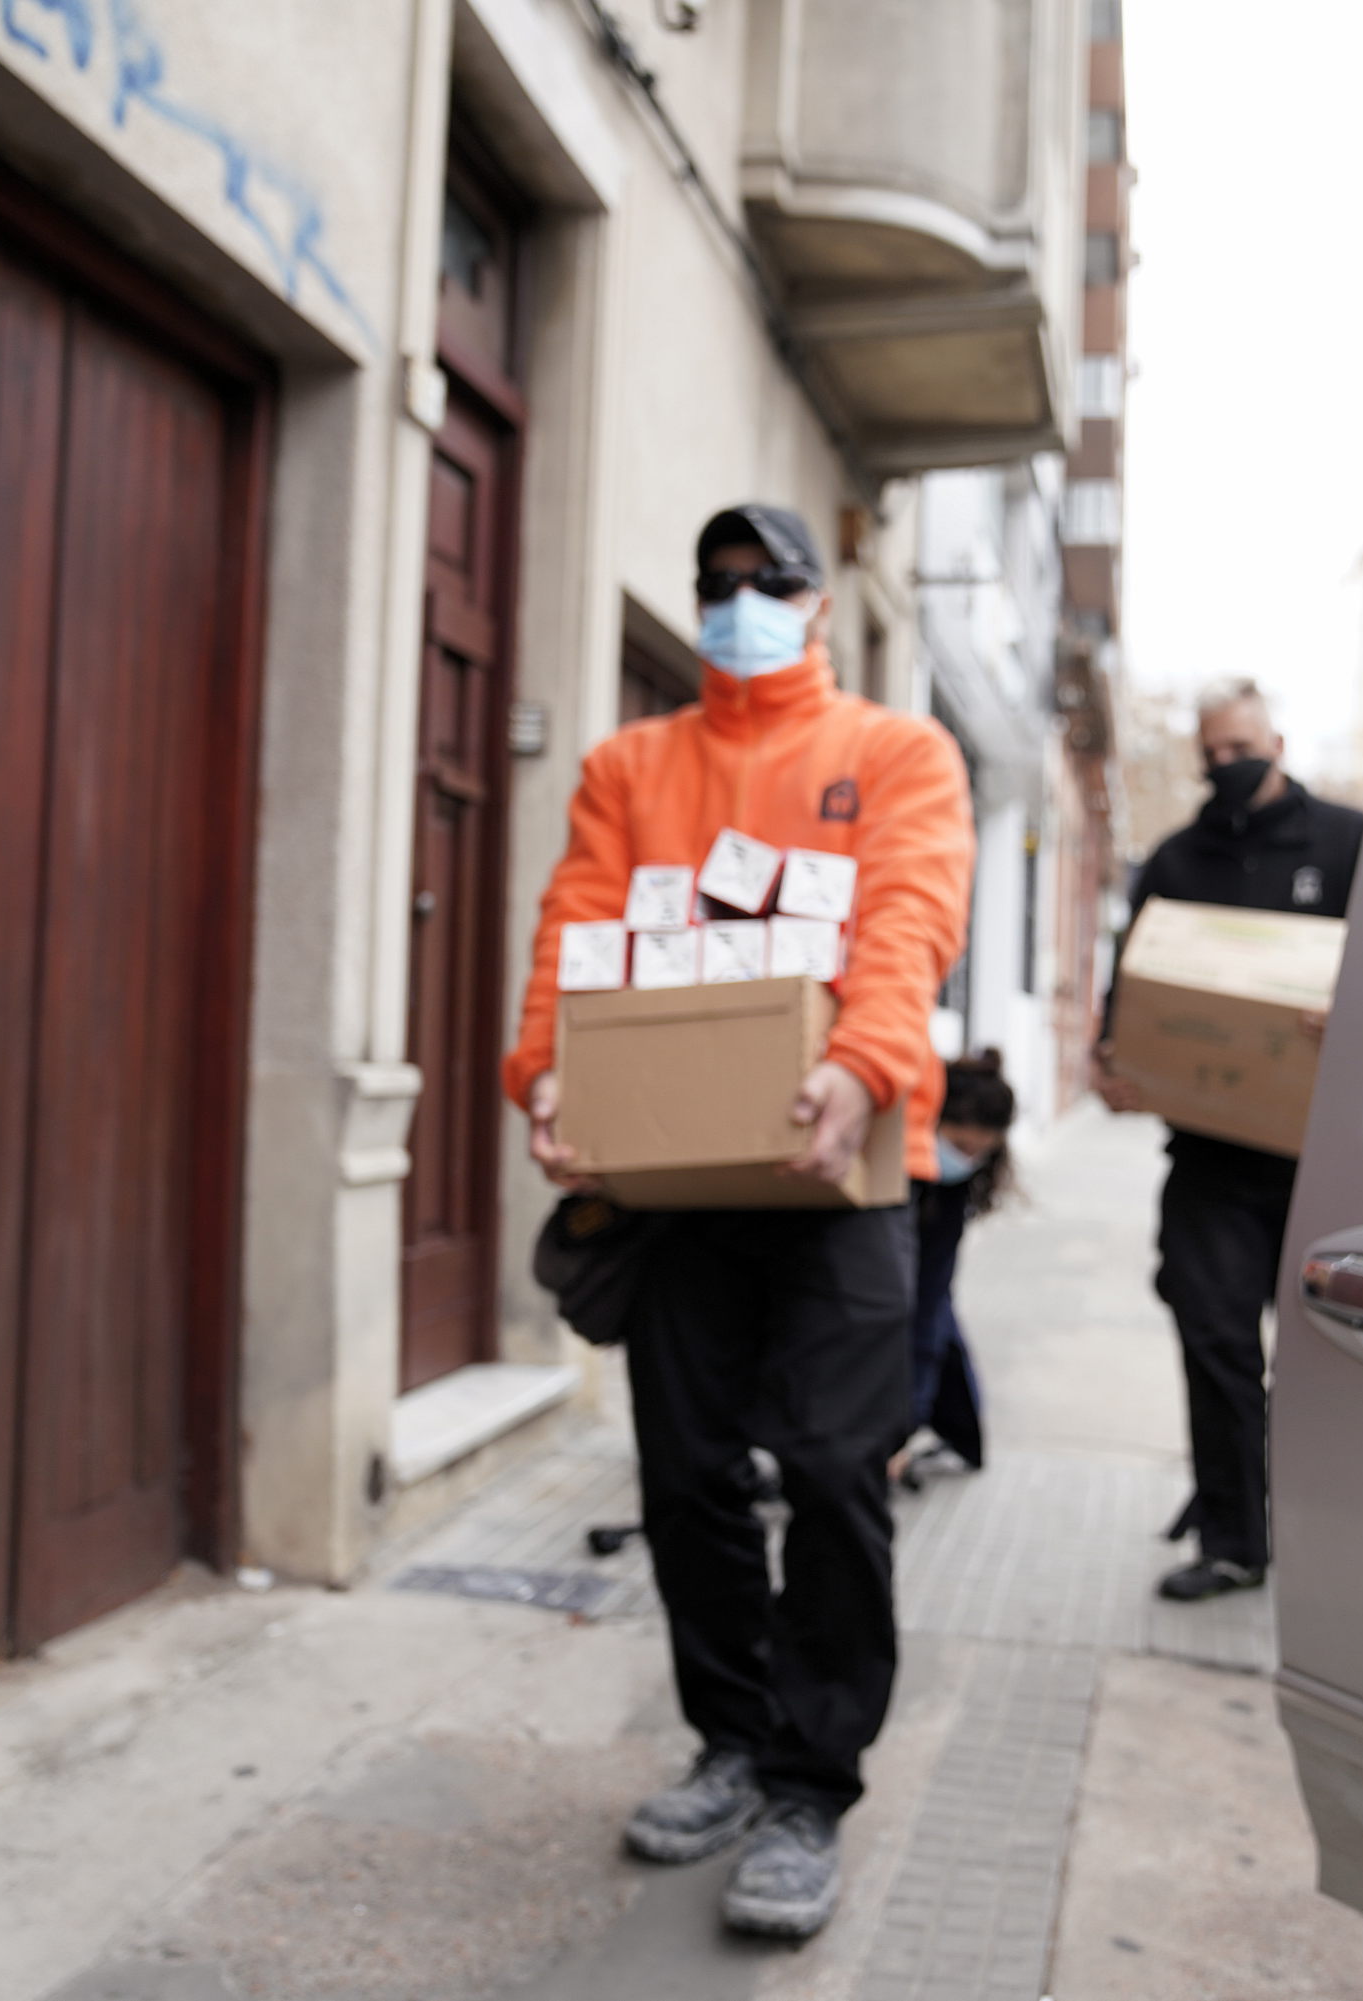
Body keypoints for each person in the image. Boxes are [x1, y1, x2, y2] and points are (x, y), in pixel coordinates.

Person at [504, 503, 973, 1941]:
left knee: (834, 1471)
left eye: (767, 581)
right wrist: (546, 1076)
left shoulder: (894, 754)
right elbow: (575, 937)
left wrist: (860, 1064)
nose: (738, 604)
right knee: (688, 1471)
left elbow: (909, 921)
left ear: (817, 601)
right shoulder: (630, 768)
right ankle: (729, 1736)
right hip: (682, 1186)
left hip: (837, 1168)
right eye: (715, 585)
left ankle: (808, 1786)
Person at [1094, 679, 1363, 1603]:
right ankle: (1233, 1538)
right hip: (1210, 1159)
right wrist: (1116, 1065)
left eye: (1238, 744)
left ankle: (1313, 1525)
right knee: (1215, 1344)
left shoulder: (1349, 844)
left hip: (1326, 1163)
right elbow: (1128, 998)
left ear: (1277, 740)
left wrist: (1352, 1017)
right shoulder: (1175, 860)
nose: (1223, 762)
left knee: (1325, 1358)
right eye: (1209, 751)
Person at [900, 1051, 1013, 1481]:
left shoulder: (953, 1190)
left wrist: (905, 1423)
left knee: (932, 1320)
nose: (966, 1161)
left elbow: (928, 1301)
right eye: (960, 1146)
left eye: (980, 1153)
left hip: (922, 1286)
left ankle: (943, 1431)